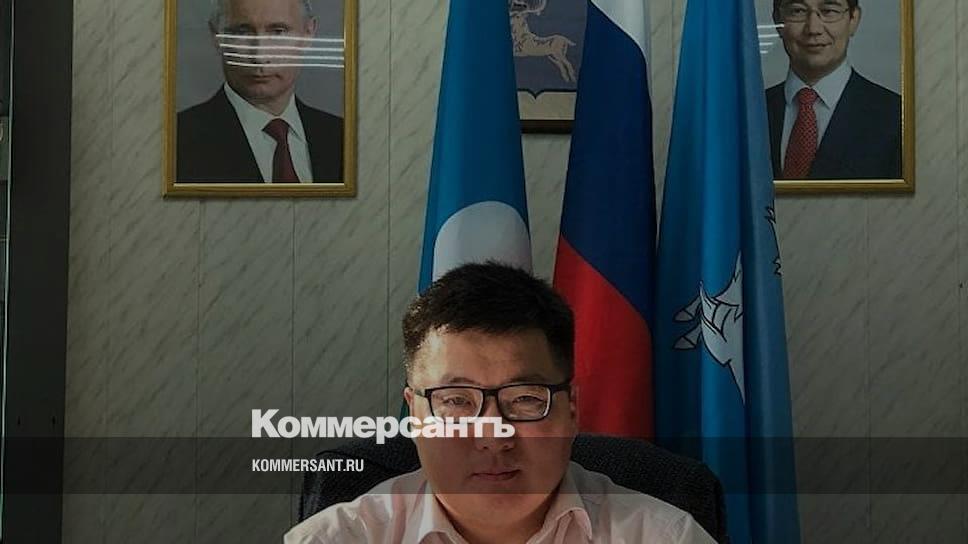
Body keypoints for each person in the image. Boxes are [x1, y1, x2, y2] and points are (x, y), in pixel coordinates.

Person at [285, 263, 716, 543]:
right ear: (414, 415)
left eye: (525, 399)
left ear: (572, 410)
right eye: (456, 401)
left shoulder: (664, 537)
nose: (493, 436)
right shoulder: (337, 538)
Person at [177, 0, 343, 183]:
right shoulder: (177, 140)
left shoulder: (343, 137)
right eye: (242, 32)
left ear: (308, 33)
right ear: (216, 37)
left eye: (278, 32)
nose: (260, 57)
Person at [766, 0, 901, 180]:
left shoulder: (897, 116)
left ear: (853, 19)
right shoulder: (747, 113)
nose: (813, 29)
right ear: (777, 20)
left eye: (829, 11)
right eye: (797, 11)